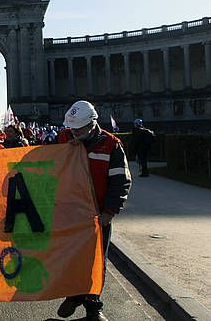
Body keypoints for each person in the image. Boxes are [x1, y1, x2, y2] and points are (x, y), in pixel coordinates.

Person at [56, 100, 131, 321]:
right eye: (72, 129)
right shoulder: (64, 139)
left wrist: (109, 212)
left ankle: (93, 308)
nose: (74, 133)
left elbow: (120, 181)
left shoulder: (111, 145)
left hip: (98, 214)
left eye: (78, 129)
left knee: (97, 261)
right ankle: (74, 294)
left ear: (92, 124)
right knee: (69, 257)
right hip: (70, 213)